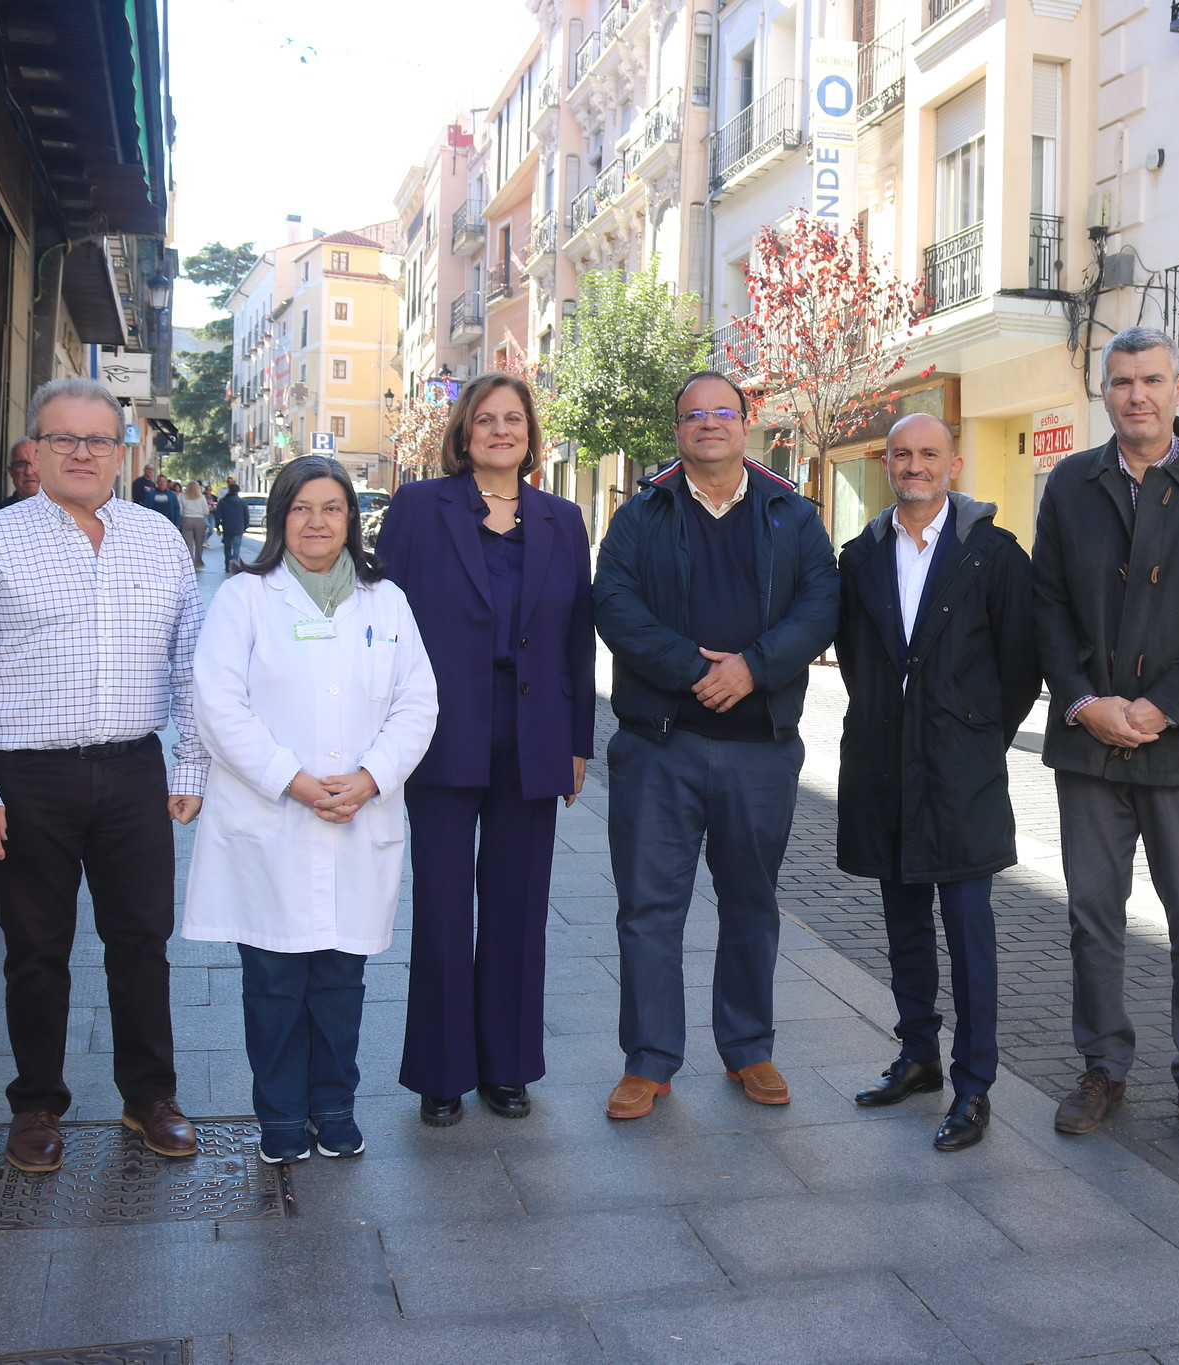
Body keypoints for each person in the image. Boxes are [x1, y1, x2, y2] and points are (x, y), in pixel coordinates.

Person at [0, 376, 208, 1175]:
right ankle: (37, 1104)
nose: (82, 452)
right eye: (64, 438)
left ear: (122, 451)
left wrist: (191, 760)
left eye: (98, 439)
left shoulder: (158, 540)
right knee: (36, 950)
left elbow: (192, 663)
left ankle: (150, 1096)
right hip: (27, 779)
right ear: (36, 450)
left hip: (133, 770)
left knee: (142, 942)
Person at [1032, 326, 1179, 1158]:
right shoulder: (1070, 484)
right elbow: (1046, 605)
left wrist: (1164, 708)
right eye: (1122, 381)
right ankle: (1102, 1066)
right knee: (1093, 918)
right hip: (1089, 745)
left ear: (1178, 389)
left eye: (1152, 380)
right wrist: (1084, 701)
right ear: (1104, 392)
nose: (1137, 394)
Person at [592, 371, 839, 1120]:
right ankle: (648, 1061)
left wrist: (753, 668)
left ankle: (748, 1048)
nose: (708, 424)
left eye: (722, 412)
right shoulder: (641, 512)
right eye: (694, 414)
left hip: (760, 747)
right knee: (648, 910)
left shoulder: (792, 513)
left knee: (752, 904)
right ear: (678, 430)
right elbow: (614, 604)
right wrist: (694, 670)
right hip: (658, 746)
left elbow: (821, 603)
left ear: (745, 422)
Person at [182, 456, 437, 1163]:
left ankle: (334, 1107)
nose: (317, 522)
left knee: (340, 980)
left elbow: (418, 702)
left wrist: (371, 778)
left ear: (352, 519)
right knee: (272, 980)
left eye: (332, 508)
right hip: (270, 819)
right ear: (279, 519)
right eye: (301, 508)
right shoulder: (244, 597)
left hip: (358, 814)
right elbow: (217, 705)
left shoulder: (386, 602)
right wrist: (292, 780)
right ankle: (282, 1117)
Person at [378, 374, 593, 1126]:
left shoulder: (564, 519)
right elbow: (383, 621)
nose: (501, 430)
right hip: (439, 732)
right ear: (463, 433)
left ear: (531, 435)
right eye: (486, 419)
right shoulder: (417, 508)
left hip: (534, 734)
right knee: (442, 908)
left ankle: (507, 1066)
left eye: (514, 419)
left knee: (518, 905)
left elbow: (577, 636)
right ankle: (441, 1072)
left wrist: (577, 741)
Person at [834, 413, 1041, 1153]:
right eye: (901, 454)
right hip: (885, 767)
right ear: (886, 464)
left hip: (961, 774)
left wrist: (974, 734)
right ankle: (918, 1055)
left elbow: (1021, 667)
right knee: (903, 924)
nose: (914, 465)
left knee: (968, 929)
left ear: (954, 464)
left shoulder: (995, 554)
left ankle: (974, 1084)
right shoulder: (860, 555)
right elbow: (857, 660)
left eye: (929, 453)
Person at [0, 439, 42, 515]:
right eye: (21, 464)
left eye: (36, 463)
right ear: (11, 472)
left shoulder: (58, 510)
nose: (29, 472)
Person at [216, 478, 250, 572]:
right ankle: (234, 565)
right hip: (238, 528)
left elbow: (218, 515)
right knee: (236, 548)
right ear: (238, 491)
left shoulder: (223, 501)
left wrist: (218, 527)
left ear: (229, 490)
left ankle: (228, 565)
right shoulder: (242, 502)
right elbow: (246, 515)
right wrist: (245, 526)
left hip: (227, 528)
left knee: (227, 548)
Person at [177, 480, 211, 570]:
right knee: (199, 544)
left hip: (187, 520)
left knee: (189, 544)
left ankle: (189, 564)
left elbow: (180, 511)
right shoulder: (202, 497)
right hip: (199, 520)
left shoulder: (182, 497)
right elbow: (206, 511)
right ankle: (198, 564)